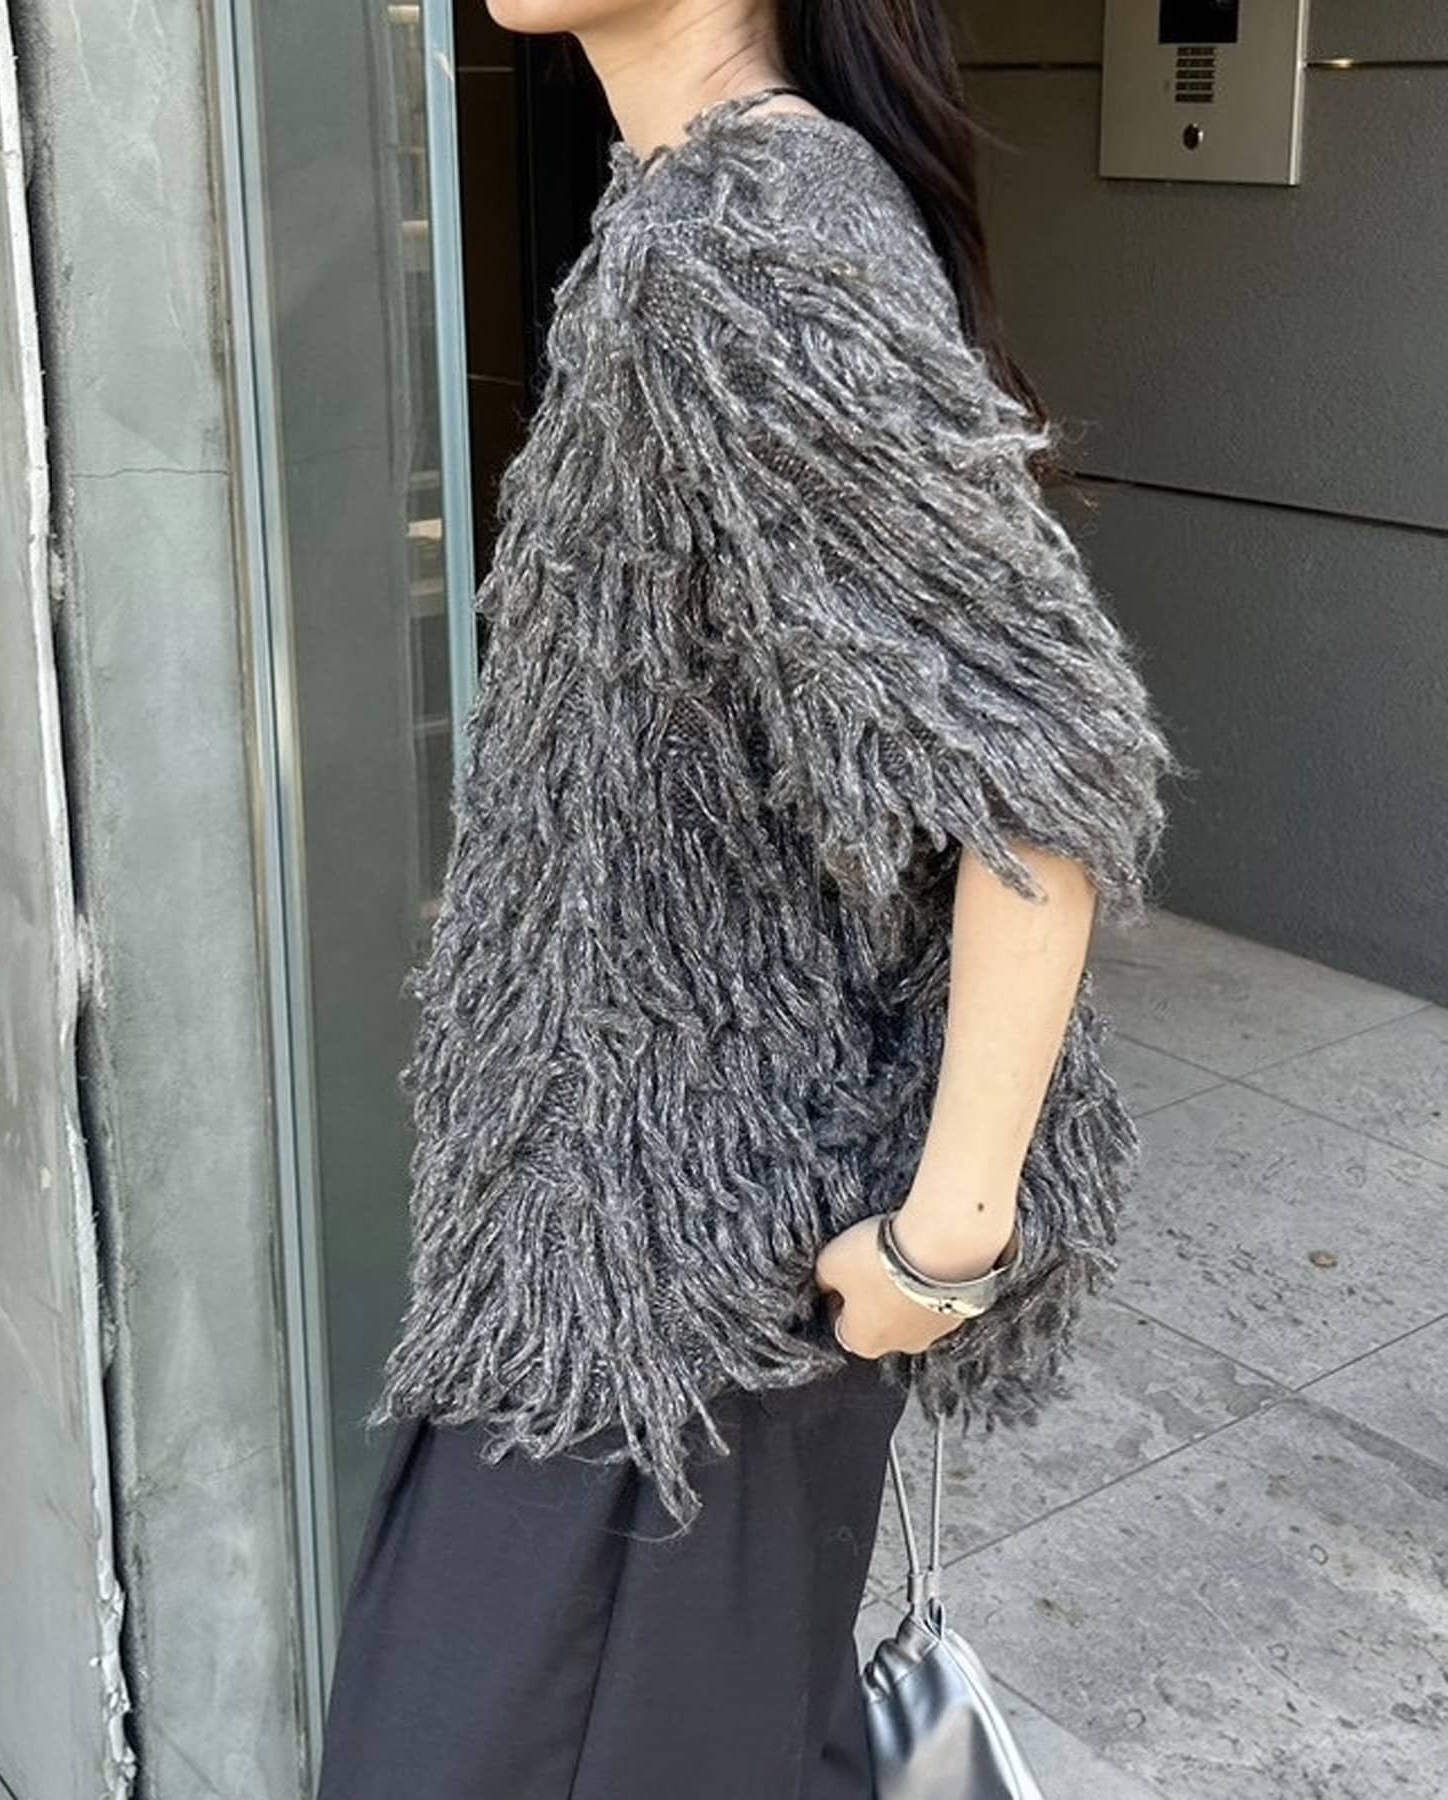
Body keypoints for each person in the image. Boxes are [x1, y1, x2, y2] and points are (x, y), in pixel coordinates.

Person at [314, 3, 1184, 1796]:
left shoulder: (751, 233)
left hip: (689, 1306)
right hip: (601, 1261)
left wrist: (944, 1248)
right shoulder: (682, 204)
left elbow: (1040, 769)